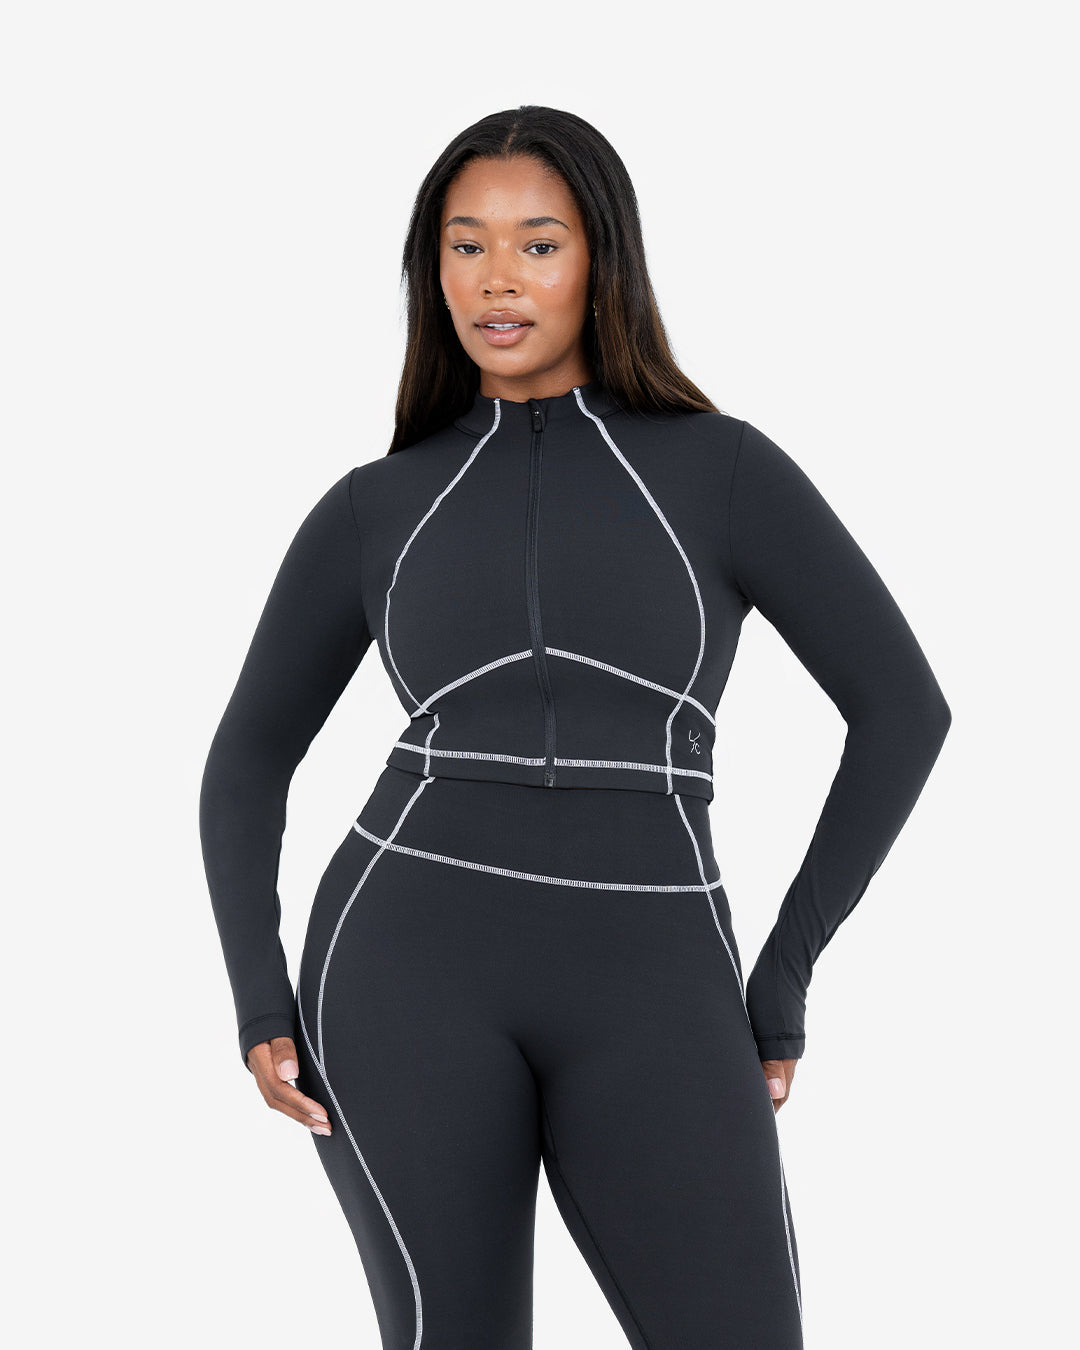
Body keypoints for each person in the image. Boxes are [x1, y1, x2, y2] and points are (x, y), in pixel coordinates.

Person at [199, 105, 951, 1350]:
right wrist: (256, 996)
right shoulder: (377, 504)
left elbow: (903, 711)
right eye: (465, 245)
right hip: (404, 966)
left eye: (537, 244)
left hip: (657, 969)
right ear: (432, 270)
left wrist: (785, 972)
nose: (497, 278)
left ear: (604, 259)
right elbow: (246, 761)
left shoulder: (722, 469)